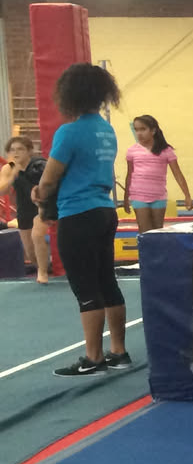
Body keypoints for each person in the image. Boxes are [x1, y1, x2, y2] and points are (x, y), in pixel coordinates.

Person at [34, 63, 131, 375]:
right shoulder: (106, 130)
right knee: (106, 281)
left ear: (70, 94)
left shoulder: (69, 131)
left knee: (85, 287)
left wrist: (39, 194)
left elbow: (50, 178)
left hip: (78, 213)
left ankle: (94, 357)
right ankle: (118, 350)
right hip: (104, 210)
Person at [120, 114, 191, 233]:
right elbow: (130, 174)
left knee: (157, 230)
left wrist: (187, 195)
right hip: (138, 195)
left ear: (153, 131)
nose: (139, 133)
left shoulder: (165, 150)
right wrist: (126, 197)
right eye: (136, 130)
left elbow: (178, 174)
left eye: (143, 129)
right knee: (144, 230)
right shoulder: (132, 151)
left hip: (158, 195)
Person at [1, 134, 51, 283]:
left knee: (37, 235)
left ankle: (42, 272)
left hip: (42, 206)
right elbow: (2, 190)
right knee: (29, 250)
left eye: (20, 149)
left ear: (29, 151)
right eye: (12, 150)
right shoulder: (9, 167)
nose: (16, 153)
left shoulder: (38, 165)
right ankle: (42, 267)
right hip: (24, 210)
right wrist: (12, 175)